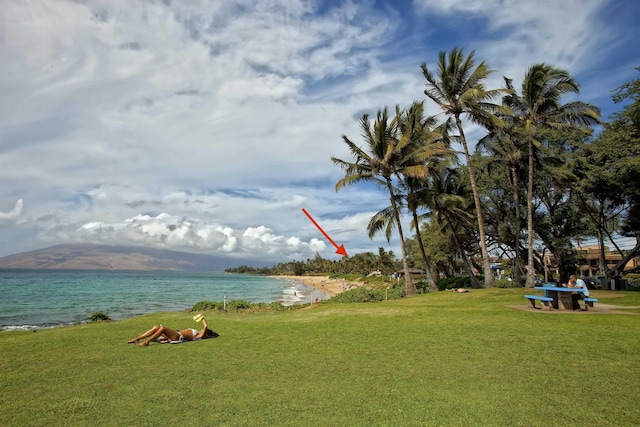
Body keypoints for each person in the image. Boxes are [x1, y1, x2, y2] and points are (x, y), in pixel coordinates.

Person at [127, 316, 218, 347]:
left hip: (177, 337)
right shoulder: (199, 332)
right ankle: (137, 338)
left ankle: (146, 342)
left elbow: (205, 326)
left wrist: (202, 318)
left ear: (206, 333)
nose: (202, 329)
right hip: (175, 334)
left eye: (204, 330)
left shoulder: (201, 335)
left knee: (162, 328)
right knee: (156, 327)